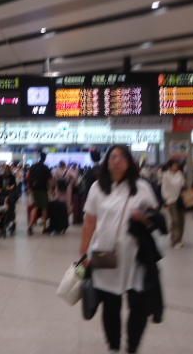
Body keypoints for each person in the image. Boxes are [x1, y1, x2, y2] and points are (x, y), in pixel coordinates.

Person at [79, 145, 159, 353]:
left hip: (136, 256)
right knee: (110, 304)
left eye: (123, 157)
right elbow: (89, 222)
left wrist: (145, 218)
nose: (117, 161)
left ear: (130, 162)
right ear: (107, 162)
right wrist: (83, 252)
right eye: (113, 157)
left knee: (138, 305)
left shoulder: (142, 187)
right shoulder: (97, 187)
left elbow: (155, 220)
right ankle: (114, 345)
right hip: (104, 252)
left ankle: (132, 346)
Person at [27, 152, 53, 235]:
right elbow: (50, 180)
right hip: (43, 189)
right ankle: (44, 227)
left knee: (35, 207)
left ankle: (30, 226)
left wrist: (30, 188)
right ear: (45, 158)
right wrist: (51, 190)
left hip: (34, 189)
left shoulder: (33, 167)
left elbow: (29, 178)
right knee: (44, 208)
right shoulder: (45, 168)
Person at [161, 160, 186, 248]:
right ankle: (175, 240)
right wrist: (167, 200)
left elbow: (183, 185)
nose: (176, 167)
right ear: (170, 166)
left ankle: (179, 239)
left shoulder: (180, 174)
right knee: (175, 220)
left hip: (180, 199)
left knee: (181, 220)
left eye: (177, 165)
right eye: (174, 165)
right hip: (171, 200)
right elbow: (164, 188)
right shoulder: (166, 175)